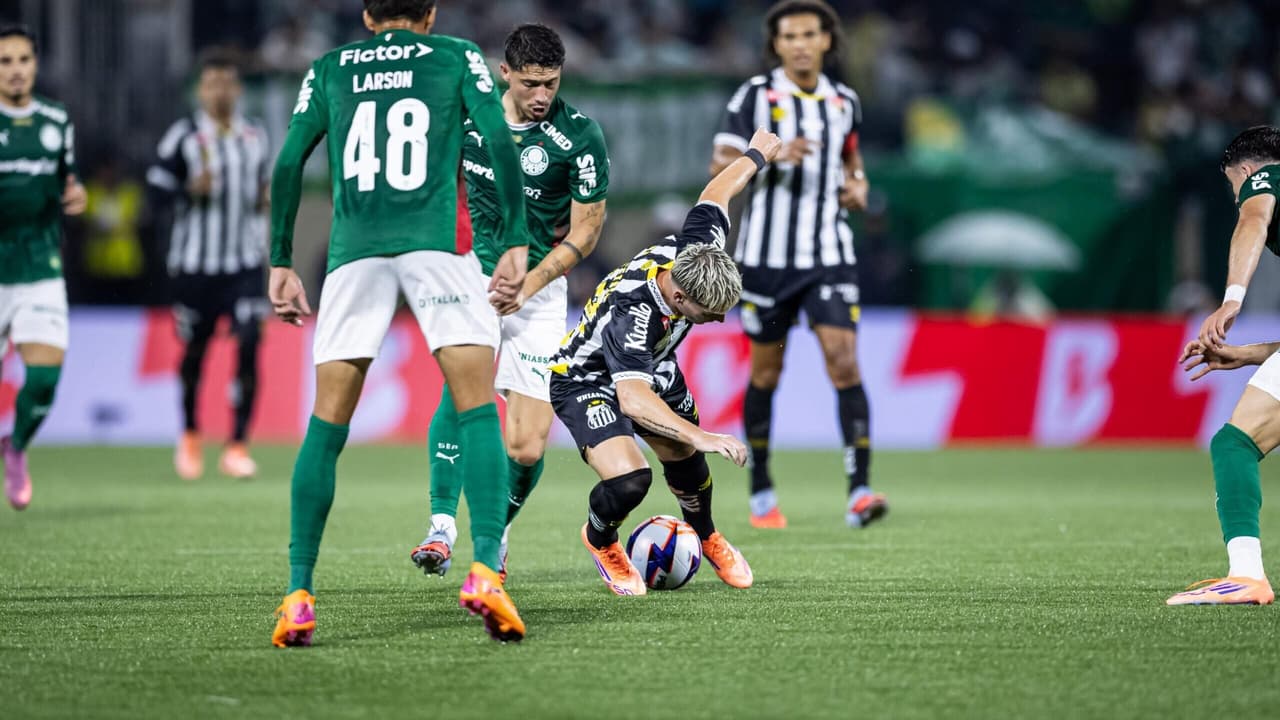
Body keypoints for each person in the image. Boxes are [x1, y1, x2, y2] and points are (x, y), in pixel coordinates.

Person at [267, 0, 534, 645]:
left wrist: (280, 258)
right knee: (476, 408)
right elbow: (498, 140)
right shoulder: (455, 56)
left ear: (366, 15)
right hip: (436, 245)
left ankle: (299, 594)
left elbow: (286, 164)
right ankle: (485, 572)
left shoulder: (330, 67)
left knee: (326, 424)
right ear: (432, 12)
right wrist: (519, 237)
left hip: (354, 252)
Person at [410, 23, 609, 580]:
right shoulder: (470, 116)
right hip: (472, 274)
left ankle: (496, 533)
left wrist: (529, 282)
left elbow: (586, 231)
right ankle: (442, 527)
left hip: (539, 290)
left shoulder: (580, 137)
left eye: (550, 83)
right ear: (506, 74)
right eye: (530, 84)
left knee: (525, 446)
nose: (542, 95)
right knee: (464, 389)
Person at [553, 127, 782, 597]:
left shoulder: (698, 252)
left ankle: (707, 534)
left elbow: (716, 192)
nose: (717, 321)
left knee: (686, 460)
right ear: (678, 295)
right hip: (586, 379)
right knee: (632, 479)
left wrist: (756, 156)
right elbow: (632, 399)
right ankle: (601, 540)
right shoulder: (635, 311)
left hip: (651, 364)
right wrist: (702, 433)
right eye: (708, 312)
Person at [710, 0, 887, 530]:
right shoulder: (755, 95)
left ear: (827, 40)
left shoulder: (844, 101)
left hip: (829, 255)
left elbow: (852, 161)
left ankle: (860, 490)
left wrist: (858, 185)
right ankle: (761, 488)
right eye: (790, 36)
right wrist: (766, 155)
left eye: (810, 34)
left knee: (844, 360)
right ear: (777, 45)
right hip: (765, 259)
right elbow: (719, 159)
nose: (801, 44)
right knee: (767, 372)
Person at [1167, 125, 1280, 606]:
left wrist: (1232, 300)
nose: (1238, 197)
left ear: (1248, 170)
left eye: (1234, 185)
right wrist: (1251, 353)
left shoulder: (1266, 177)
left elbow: (1252, 221)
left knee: (1236, 441)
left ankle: (1247, 575)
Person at [147, 51, 272, 480]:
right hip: (195, 266)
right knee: (195, 353)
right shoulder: (182, 136)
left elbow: (262, 193)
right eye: (211, 82)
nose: (219, 90)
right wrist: (186, 189)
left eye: (227, 82)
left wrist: (265, 202)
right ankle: (190, 434)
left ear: (237, 89)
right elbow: (154, 196)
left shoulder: (255, 137)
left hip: (243, 264)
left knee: (251, 344)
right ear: (201, 89)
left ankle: (237, 444)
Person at [0, 24, 86, 510]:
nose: (15, 71)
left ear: (35, 65)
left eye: (23, 60)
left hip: (39, 265)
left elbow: (67, 182)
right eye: (5, 62)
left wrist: (76, 195)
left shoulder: (56, 119)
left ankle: (16, 448)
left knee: (44, 379)